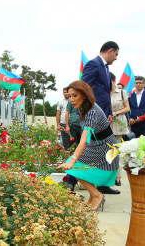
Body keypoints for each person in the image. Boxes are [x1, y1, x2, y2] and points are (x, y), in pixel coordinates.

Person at [57, 81, 119, 211]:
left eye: (75, 96)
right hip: (97, 145)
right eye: (69, 96)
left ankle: (97, 195)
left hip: (106, 147)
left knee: (73, 166)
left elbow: (84, 139)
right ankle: (94, 195)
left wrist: (73, 159)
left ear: (84, 95)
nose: (71, 100)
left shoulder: (91, 111)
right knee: (75, 167)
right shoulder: (85, 108)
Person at [82, 41, 120, 195]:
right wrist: (90, 111)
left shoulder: (105, 68)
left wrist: (109, 112)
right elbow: (84, 87)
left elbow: (105, 93)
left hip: (103, 114)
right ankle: (71, 178)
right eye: (116, 54)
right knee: (89, 147)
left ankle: (103, 185)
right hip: (94, 115)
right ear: (111, 50)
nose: (116, 58)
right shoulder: (94, 64)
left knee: (108, 149)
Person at [110, 72, 130, 186]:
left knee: (116, 151)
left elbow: (127, 108)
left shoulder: (122, 93)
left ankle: (117, 178)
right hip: (107, 125)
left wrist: (116, 112)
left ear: (113, 80)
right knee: (107, 152)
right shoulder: (104, 93)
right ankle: (108, 176)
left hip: (118, 125)